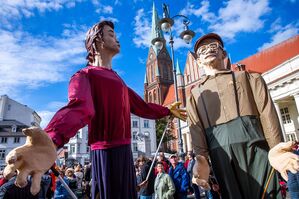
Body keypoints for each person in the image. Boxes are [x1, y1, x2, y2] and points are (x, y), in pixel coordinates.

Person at [9, 20, 186, 199]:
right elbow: (80, 108)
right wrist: (50, 140)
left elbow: (142, 107)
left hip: (124, 153)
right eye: (111, 34)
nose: (117, 39)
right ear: (97, 41)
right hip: (106, 152)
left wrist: (167, 110)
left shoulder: (119, 81)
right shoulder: (85, 75)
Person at [186, 33, 283, 198]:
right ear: (198, 61)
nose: (208, 50)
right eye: (202, 50)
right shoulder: (195, 94)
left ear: (223, 53)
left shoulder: (249, 78)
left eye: (213, 46)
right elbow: (196, 129)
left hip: (255, 148)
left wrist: (277, 148)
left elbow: (267, 113)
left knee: (267, 194)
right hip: (221, 156)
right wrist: (201, 159)